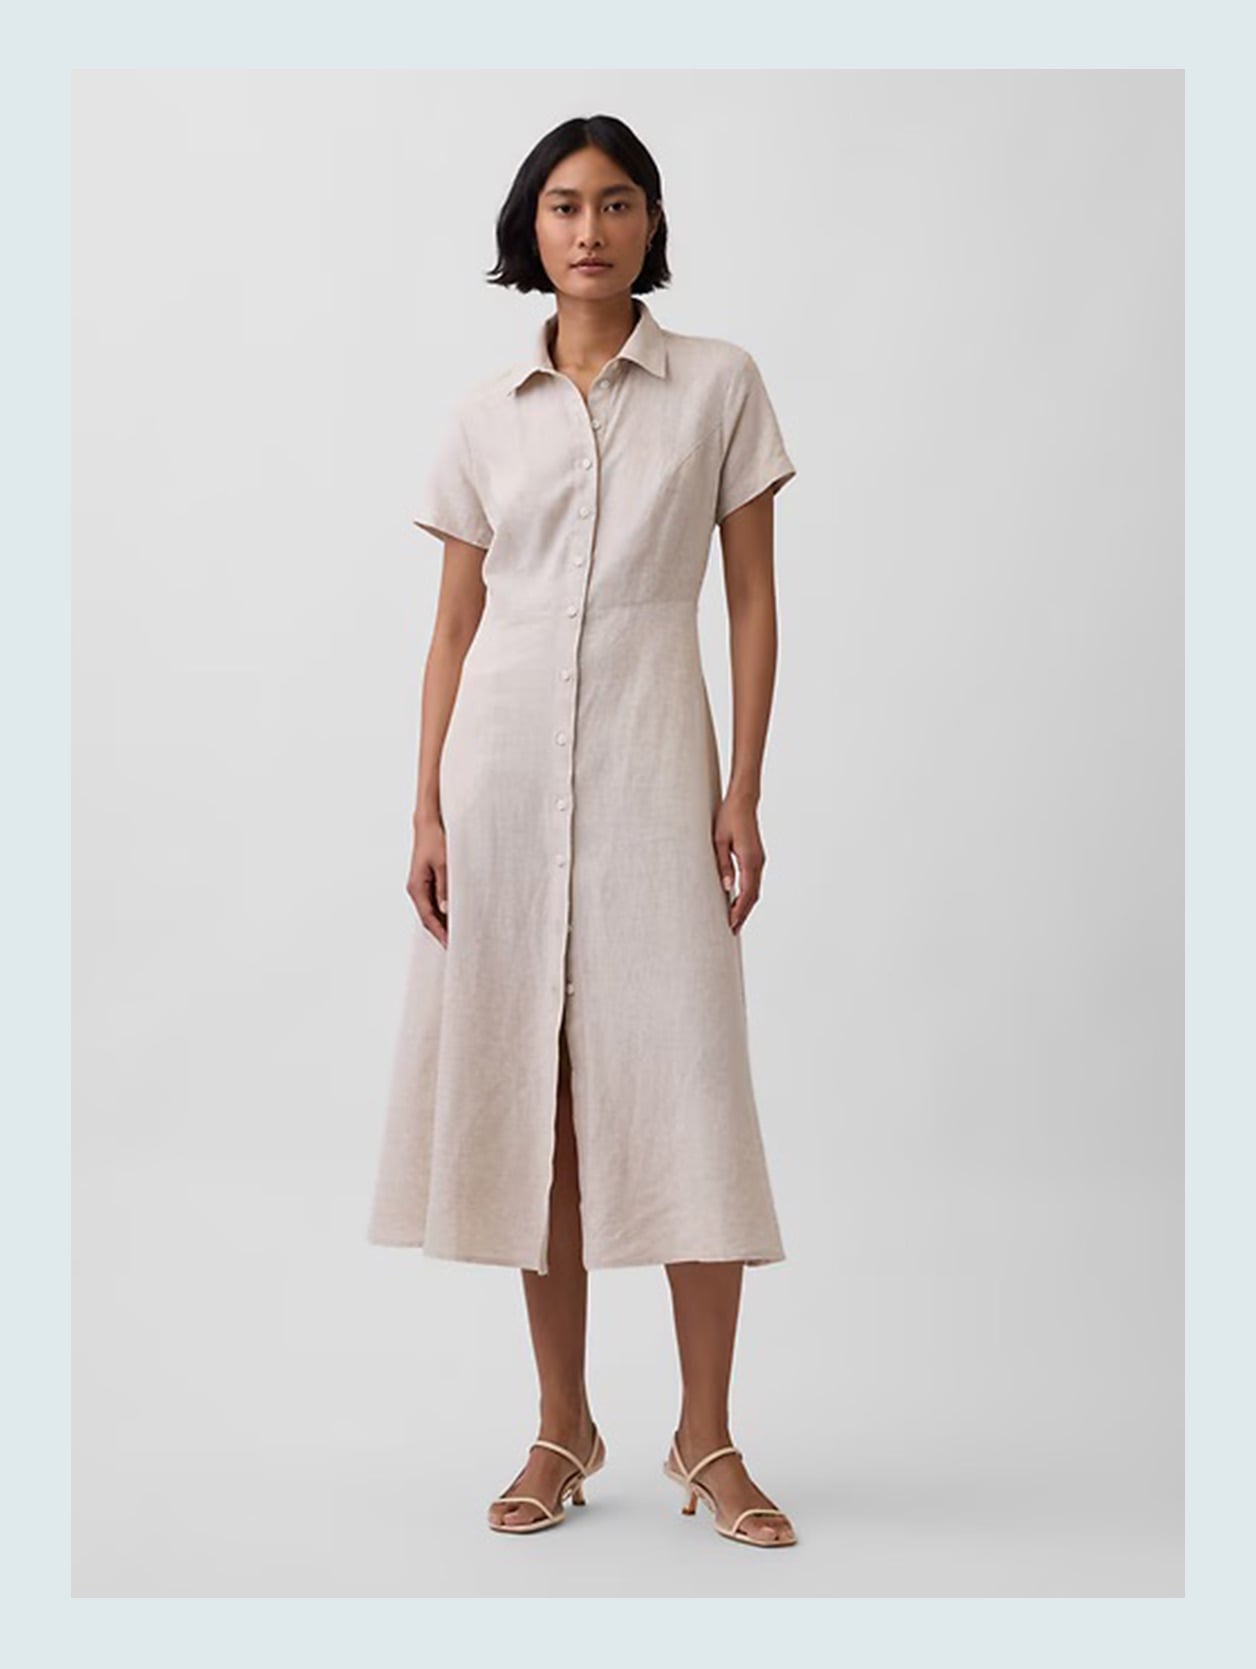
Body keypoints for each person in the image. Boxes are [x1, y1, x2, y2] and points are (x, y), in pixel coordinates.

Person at [367, 114, 799, 1547]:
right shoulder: (483, 410)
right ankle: (564, 1424)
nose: (591, 229)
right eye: (563, 205)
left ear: (651, 222)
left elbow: (751, 599)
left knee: (686, 1085)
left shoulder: (719, 383)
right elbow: (452, 627)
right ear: (531, 228)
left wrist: (742, 790)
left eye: (617, 203)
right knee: (536, 1104)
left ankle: (707, 1436)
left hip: (652, 762)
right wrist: (426, 805)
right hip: (498, 777)